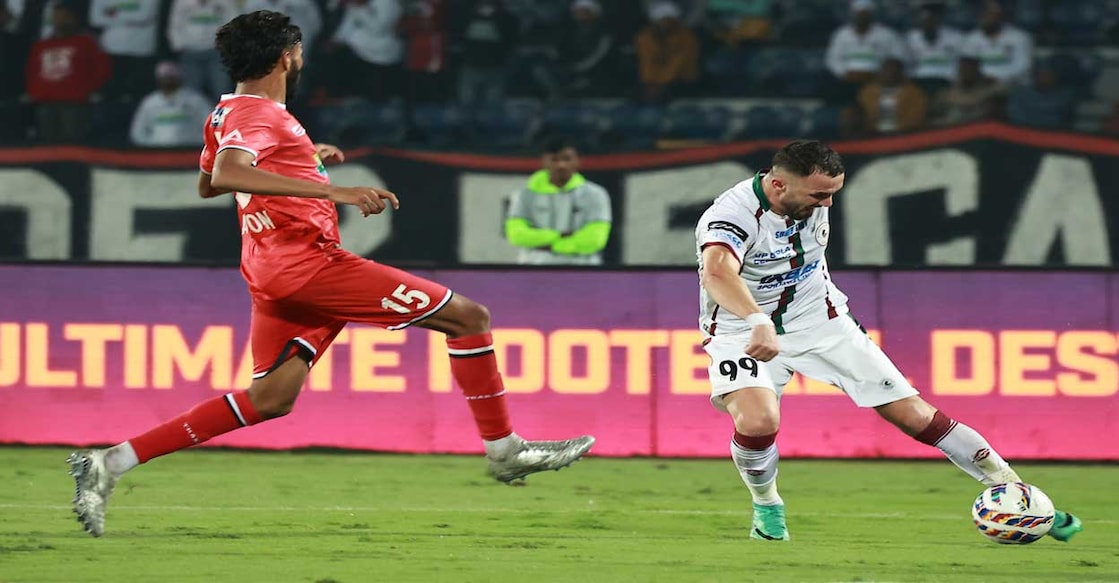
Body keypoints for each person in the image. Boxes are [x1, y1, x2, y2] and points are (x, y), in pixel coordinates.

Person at [67, 10, 595, 538]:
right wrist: (334, 190)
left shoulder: (225, 112)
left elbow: (209, 184)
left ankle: (110, 463)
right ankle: (505, 451)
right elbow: (229, 173)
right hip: (309, 263)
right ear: (285, 57)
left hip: (270, 268)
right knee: (468, 317)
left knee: (270, 399)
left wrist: (305, 162)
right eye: (298, 50)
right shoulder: (264, 115)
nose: (301, 58)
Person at [692, 140, 1083, 542]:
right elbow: (718, 272)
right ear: (778, 185)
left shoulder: (808, 202)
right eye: (819, 195)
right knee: (759, 420)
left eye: (833, 194)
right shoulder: (731, 215)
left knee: (915, 415)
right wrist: (757, 320)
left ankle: (1019, 496)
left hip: (823, 322)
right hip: (742, 329)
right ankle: (768, 506)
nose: (827, 204)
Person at [505, 138, 611, 265]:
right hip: (534, 270)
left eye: (567, 159)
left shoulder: (596, 194)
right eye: (554, 159)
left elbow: (595, 240)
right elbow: (516, 235)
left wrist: (551, 247)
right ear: (544, 162)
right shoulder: (523, 195)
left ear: (577, 161)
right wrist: (560, 235)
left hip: (583, 270)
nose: (561, 165)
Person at [24, 0, 110, 143]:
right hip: (45, 102)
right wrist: (34, 92)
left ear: (74, 18)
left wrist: (86, 90)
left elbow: (102, 69)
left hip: (74, 103)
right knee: (47, 143)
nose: (60, 19)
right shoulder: (41, 45)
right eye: (56, 16)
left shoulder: (86, 43)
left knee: (73, 142)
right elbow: (31, 72)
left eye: (64, 16)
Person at [129, 60, 212, 147]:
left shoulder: (196, 100)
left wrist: (196, 143)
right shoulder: (149, 102)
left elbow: (212, 126)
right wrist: (152, 144)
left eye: (170, 76)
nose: (166, 80)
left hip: (189, 151)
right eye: (163, 77)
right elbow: (137, 133)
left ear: (178, 77)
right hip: (157, 153)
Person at [634, 1, 698, 104]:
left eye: (668, 21)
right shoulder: (644, 37)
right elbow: (646, 61)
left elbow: (677, 64)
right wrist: (649, 83)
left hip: (681, 80)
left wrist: (659, 84)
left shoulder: (687, 38)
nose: (665, 24)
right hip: (653, 81)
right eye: (662, 21)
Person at [960, 0, 1032, 86]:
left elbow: (1023, 68)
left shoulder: (1020, 37)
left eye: (992, 14)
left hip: (1012, 86)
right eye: (985, 14)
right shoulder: (971, 38)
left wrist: (1001, 80)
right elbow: (967, 68)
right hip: (981, 86)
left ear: (1000, 16)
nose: (988, 18)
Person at [855, 57, 927, 135]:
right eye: (887, 70)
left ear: (901, 73)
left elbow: (916, 119)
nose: (891, 74)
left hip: (903, 135)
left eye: (894, 71)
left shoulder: (914, 93)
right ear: (880, 72)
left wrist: (897, 131)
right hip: (872, 134)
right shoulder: (868, 92)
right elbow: (862, 116)